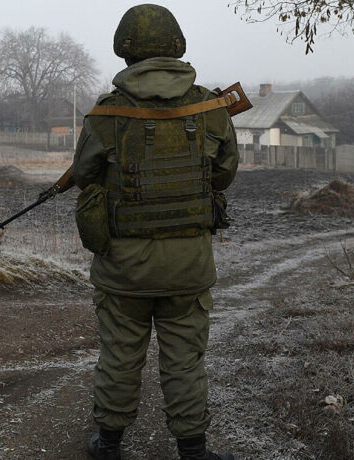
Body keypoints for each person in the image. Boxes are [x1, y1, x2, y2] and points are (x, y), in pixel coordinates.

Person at [69, 4, 239, 459]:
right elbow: (223, 177)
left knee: (120, 354)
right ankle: (194, 450)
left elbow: (84, 176)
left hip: (122, 266)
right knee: (185, 359)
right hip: (188, 265)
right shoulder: (212, 108)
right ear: (176, 46)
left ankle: (108, 444)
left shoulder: (106, 114)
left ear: (125, 49)